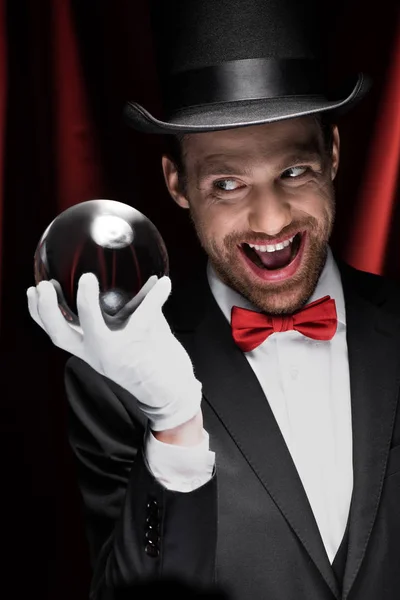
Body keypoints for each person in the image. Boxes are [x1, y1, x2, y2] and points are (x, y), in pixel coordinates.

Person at [27, 1, 400, 599]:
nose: (270, 218)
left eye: (295, 171)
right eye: (226, 183)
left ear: (332, 153)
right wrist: (173, 427)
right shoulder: (112, 385)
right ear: (177, 182)